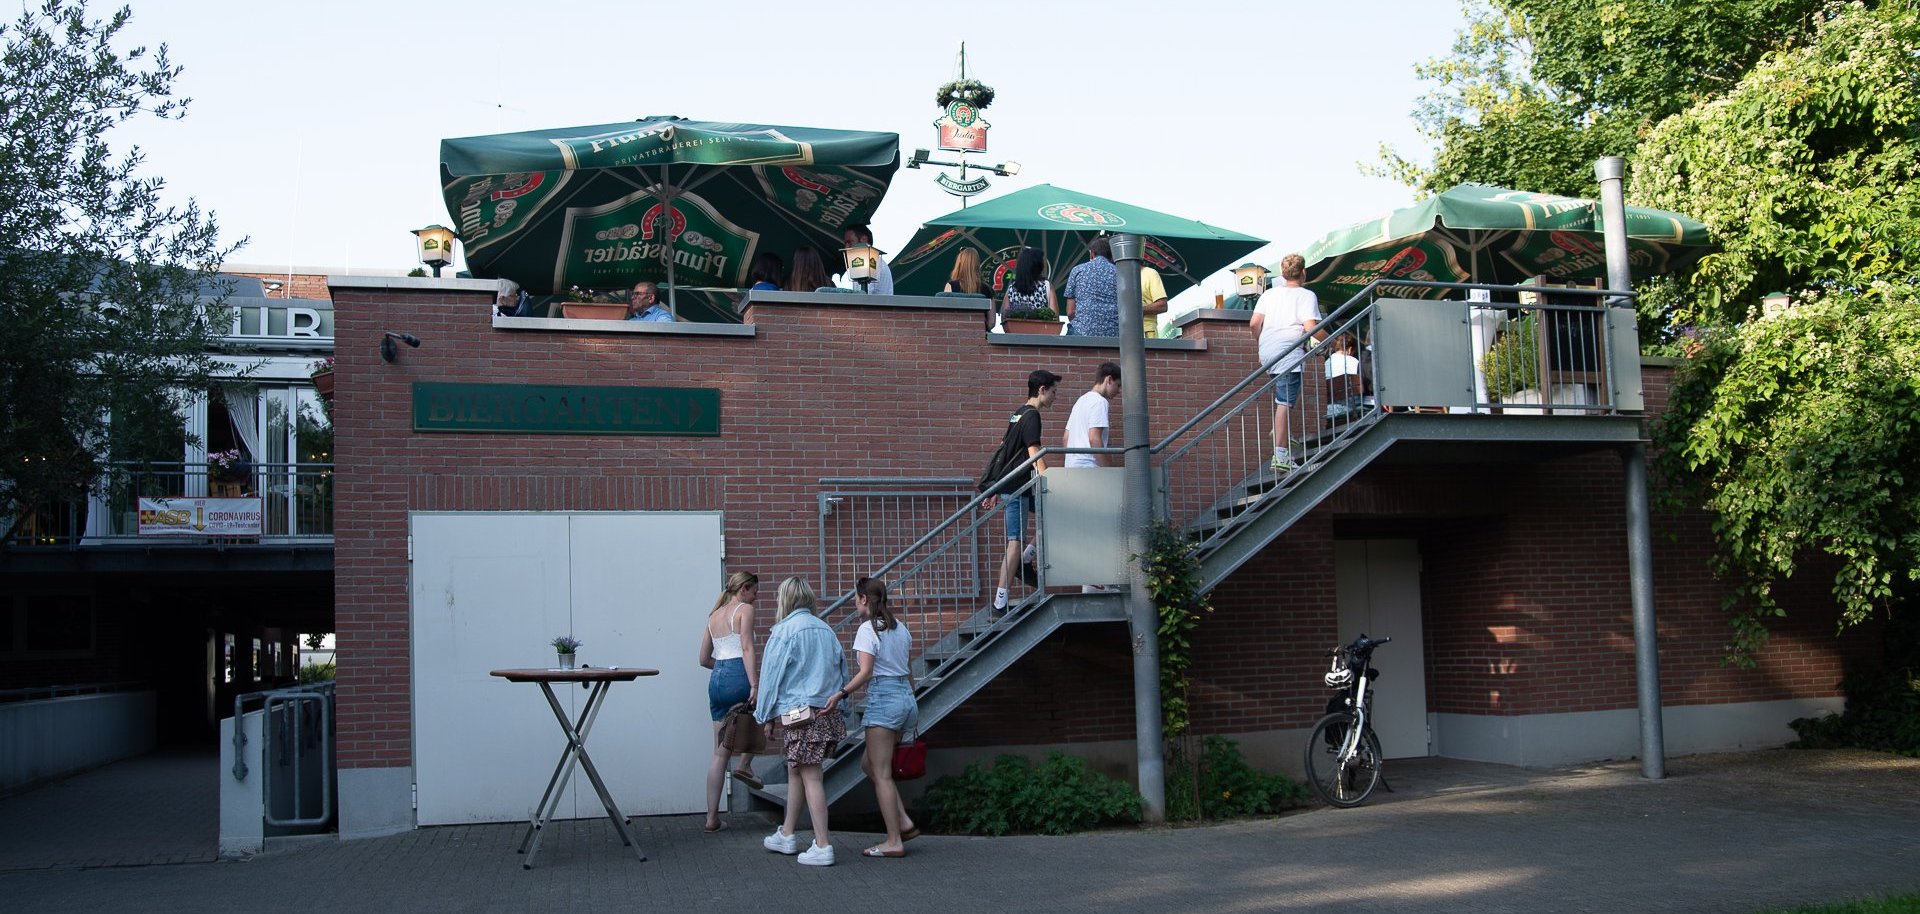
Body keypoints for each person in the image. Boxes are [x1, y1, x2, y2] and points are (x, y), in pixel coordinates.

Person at [823, 576, 921, 858]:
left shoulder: (868, 630)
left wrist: (841, 693)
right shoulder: (900, 628)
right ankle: (903, 821)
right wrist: (910, 703)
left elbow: (866, 672)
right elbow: (908, 670)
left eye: (856, 599)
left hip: (885, 698)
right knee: (869, 764)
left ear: (864, 599)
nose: (855, 604)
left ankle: (894, 841)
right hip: (905, 698)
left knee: (881, 773)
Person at [755, 577, 845, 867]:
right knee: (796, 770)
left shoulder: (783, 631)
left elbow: (770, 678)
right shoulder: (826, 630)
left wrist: (765, 715)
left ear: (785, 600)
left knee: (810, 776)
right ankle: (787, 833)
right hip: (825, 711)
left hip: (798, 714)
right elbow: (841, 670)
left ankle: (823, 845)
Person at [981, 369, 1060, 616]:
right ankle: (999, 603)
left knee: (1052, 515)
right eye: (1053, 392)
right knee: (1014, 541)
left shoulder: (1018, 413)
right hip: (1017, 489)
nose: (1055, 397)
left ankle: (1025, 559)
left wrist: (996, 488)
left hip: (1015, 487)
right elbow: (1034, 453)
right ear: (1042, 390)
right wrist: (1051, 481)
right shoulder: (1032, 415)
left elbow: (1005, 452)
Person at [697, 571, 761, 832]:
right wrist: (754, 683)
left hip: (717, 679)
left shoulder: (713, 616)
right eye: (754, 592)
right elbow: (746, 647)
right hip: (738, 673)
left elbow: (703, 659)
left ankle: (711, 818)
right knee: (763, 710)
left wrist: (722, 670)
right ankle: (745, 764)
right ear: (743, 589)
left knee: (720, 752)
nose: (755, 598)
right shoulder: (744, 610)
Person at [1249, 254, 1323, 470]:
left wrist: (1261, 343)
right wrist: (1334, 340)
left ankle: (1281, 432)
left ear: (1282, 274)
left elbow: (1254, 323)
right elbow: (1311, 328)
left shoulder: (1269, 294)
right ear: (1303, 272)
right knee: (1285, 402)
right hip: (1288, 352)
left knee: (1284, 396)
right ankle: (1280, 456)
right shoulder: (1306, 295)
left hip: (1267, 352)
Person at [1063, 362, 1121, 468]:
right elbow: (1094, 438)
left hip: (1070, 466)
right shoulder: (1100, 402)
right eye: (1118, 385)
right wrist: (1107, 469)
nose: (1118, 391)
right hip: (1089, 467)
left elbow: (1066, 438)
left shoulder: (1080, 401)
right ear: (1109, 380)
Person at [1062, 236, 1120, 337]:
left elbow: (1070, 312)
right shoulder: (1120, 273)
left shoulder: (1077, 270)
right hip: (1112, 335)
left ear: (1092, 253)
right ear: (1112, 256)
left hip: (1080, 333)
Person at [1000, 247, 1058, 329]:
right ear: (1038, 266)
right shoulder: (1046, 286)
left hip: (1017, 333)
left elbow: (1004, 318)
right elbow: (1054, 317)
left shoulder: (1011, 289)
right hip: (1042, 333)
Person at [841, 224, 893, 295]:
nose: (846, 247)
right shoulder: (864, 262)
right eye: (845, 243)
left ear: (864, 239)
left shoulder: (873, 261)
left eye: (849, 242)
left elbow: (865, 295)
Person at [1139, 262, 1169, 338]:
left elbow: (1162, 306)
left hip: (1147, 332)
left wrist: (1137, 310)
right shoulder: (1117, 275)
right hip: (1122, 331)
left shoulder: (1150, 273)